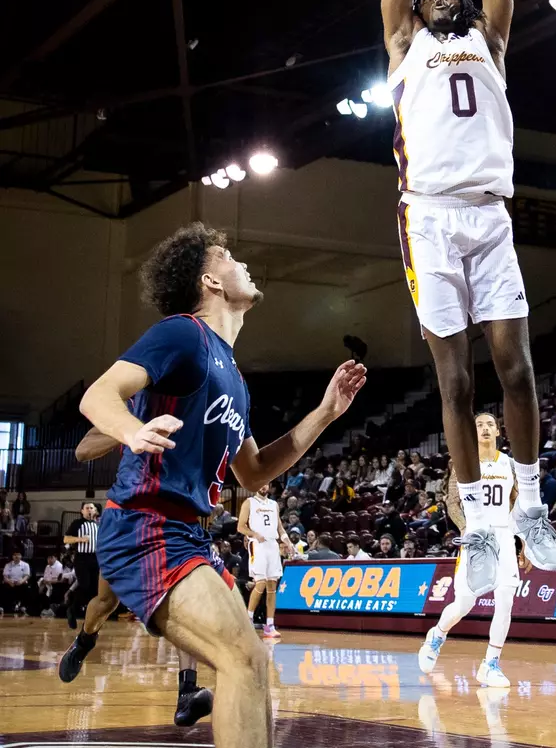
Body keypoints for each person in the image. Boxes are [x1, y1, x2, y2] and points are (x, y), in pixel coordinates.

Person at [77, 221, 366, 748]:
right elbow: (98, 395)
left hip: (188, 533)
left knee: (251, 667)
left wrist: (325, 413)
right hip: (145, 524)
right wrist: (133, 431)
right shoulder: (182, 332)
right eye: (230, 256)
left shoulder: (232, 372)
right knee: (243, 658)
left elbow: (253, 472)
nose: (244, 263)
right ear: (210, 281)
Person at [380, 0, 556, 597]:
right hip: (427, 219)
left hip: (490, 216)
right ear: (417, 14)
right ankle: (482, 526)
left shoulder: (493, 43)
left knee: (516, 370)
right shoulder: (402, 46)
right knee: (454, 384)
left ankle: (534, 507)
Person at [58, 426, 216, 728]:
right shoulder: (131, 407)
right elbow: (83, 450)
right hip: (130, 519)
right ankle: (85, 640)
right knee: (105, 602)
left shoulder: (202, 411)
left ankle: (187, 691)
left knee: (189, 611)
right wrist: (130, 430)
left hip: (176, 523)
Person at [418, 412, 525, 687]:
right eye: (479, 425)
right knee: (464, 604)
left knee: (505, 602)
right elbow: (452, 502)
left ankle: (490, 664)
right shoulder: (464, 464)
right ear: (473, 433)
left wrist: (523, 542)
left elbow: (517, 503)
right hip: (476, 539)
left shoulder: (509, 464)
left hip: (503, 537)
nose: (486, 429)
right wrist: (465, 527)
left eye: (490, 424)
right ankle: (437, 635)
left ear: (498, 432)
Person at [239, 483, 293, 640]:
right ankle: (247, 620)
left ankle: (270, 625)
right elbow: (241, 527)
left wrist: (287, 542)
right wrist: (254, 534)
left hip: (272, 546)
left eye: (266, 484)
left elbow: (280, 529)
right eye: (261, 483)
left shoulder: (274, 504)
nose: (263, 486)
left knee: (272, 585)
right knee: (260, 583)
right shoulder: (249, 502)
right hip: (258, 545)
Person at [63, 501, 100, 630]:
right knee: (83, 584)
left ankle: (89, 617)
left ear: (95, 511)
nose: (89, 510)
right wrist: (80, 539)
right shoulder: (77, 524)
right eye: (87, 508)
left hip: (95, 558)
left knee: (95, 589)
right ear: (82, 511)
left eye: (92, 508)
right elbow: (66, 539)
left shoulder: (98, 524)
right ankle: (71, 610)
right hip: (81, 558)